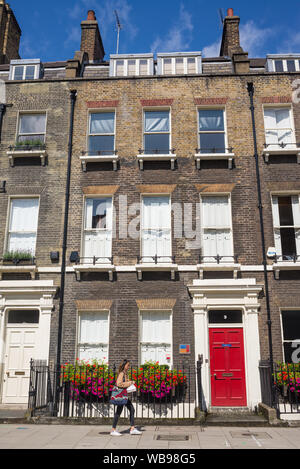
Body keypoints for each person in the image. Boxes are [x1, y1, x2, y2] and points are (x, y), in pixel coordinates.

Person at [110, 359, 142, 436]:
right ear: (124, 366)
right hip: (121, 396)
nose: (128, 367)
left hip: (124, 396)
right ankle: (113, 430)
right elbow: (119, 384)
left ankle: (132, 428)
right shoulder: (121, 373)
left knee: (131, 409)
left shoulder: (125, 373)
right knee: (119, 412)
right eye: (128, 365)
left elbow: (125, 383)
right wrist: (130, 382)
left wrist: (130, 383)